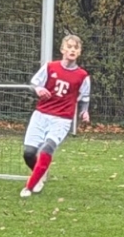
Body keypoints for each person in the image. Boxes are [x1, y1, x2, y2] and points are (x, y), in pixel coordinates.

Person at [22, 34, 91, 197]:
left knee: (47, 148)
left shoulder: (83, 76)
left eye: (76, 48)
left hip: (62, 119)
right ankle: (39, 174)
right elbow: (34, 83)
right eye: (69, 47)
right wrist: (38, 89)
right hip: (41, 115)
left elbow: (85, 97)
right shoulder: (50, 67)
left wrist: (84, 111)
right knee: (29, 153)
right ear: (62, 50)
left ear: (79, 52)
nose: (72, 50)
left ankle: (29, 187)